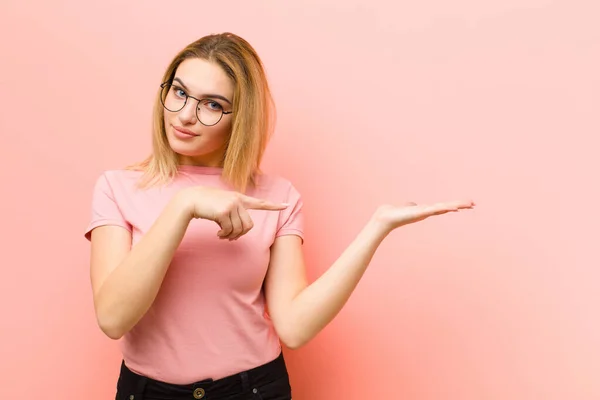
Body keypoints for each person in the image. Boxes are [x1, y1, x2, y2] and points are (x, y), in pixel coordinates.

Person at [84, 32, 475, 400]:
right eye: (180, 93)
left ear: (241, 117)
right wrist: (183, 207)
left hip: (254, 389)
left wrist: (378, 227)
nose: (186, 116)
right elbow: (113, 318)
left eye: (212, 104)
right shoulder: (117, 188)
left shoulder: (277, 196)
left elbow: (294, 326)